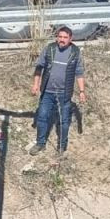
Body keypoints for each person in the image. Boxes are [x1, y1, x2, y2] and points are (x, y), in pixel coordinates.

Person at [29, 24, 86, 156]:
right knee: (42, 117)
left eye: (65, 37)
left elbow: (79, 73)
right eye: (60, 36)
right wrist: (36, 84)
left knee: (64, 121)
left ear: (70, 39)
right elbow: (39, 67)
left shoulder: (75, 53)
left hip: (64, 94)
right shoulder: (50, 49)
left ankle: (62, 147)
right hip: (47, 92)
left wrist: (82, 91)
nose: (62, 39)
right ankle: (40, 144)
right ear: (56, 38)